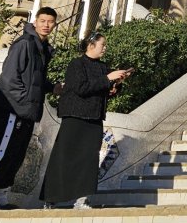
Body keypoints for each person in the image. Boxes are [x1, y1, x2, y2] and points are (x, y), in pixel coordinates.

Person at [0, 8, 60, 207]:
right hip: (13, 109)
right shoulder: (25, 44)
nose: (46, 25)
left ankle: (2, 196)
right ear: (35, 22)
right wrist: (23, 102)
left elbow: (33, 79)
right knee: (1, 150)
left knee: (16, 154)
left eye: (50, 22)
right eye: (43, 21)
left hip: (26, 111)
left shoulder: (42, 49)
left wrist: (52, 87)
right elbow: (10, 77)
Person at [39, 33, 131, 209]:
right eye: (102, 44)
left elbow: (103, 90)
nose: (105, 48)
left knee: (89, 159)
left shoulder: (103, 67)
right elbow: (81, 88)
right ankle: (50, 198)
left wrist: (116, 85)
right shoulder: (77, 64)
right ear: (91, 45)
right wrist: (107, 79)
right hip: (75, 117)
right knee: (63, 157)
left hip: (94, 117)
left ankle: (82, 199)